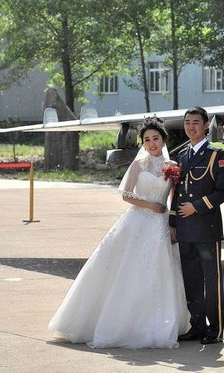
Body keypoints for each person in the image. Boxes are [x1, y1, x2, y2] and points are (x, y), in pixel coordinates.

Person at [48, 116, 190, 349]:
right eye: (147, 140)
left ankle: (156, 323)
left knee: (161, 271)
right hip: (138, 221)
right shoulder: (139, 165)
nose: (152, 143)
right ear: (142, 143)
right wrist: (150, 206)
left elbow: (174, 196)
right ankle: (117, 323)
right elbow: (125, 194)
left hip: (161, 225)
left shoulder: (172, 165)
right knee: (128, 271)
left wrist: (172, 222)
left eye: (156, 138)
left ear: (163, 139)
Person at [169, 106, 224, 345]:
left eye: (196, 122)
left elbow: (223, 192)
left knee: (211, 281)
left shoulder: (217, 155)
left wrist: (197, 206)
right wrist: (173, 221)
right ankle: (196, 327)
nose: (191, 127)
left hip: (207, 228)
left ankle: (214, 330)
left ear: (206, 125)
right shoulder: (183, 156)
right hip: (185, 229)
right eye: (187, 122)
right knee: (191, 280)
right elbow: (177, 192)